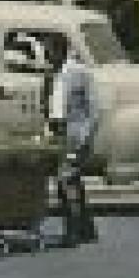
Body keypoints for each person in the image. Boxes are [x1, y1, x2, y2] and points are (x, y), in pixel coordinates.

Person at [43, 36, 100, 247]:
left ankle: (73, 231)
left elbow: (93, 109)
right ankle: (87, 229)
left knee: (66, 181)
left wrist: (85, 137)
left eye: (51, 50)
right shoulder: (50, 76)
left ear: (62, 51)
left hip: (76, 134)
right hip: (58, 133)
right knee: (70, 181)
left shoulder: (80, 73)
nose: (48, 55)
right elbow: (47, 104)